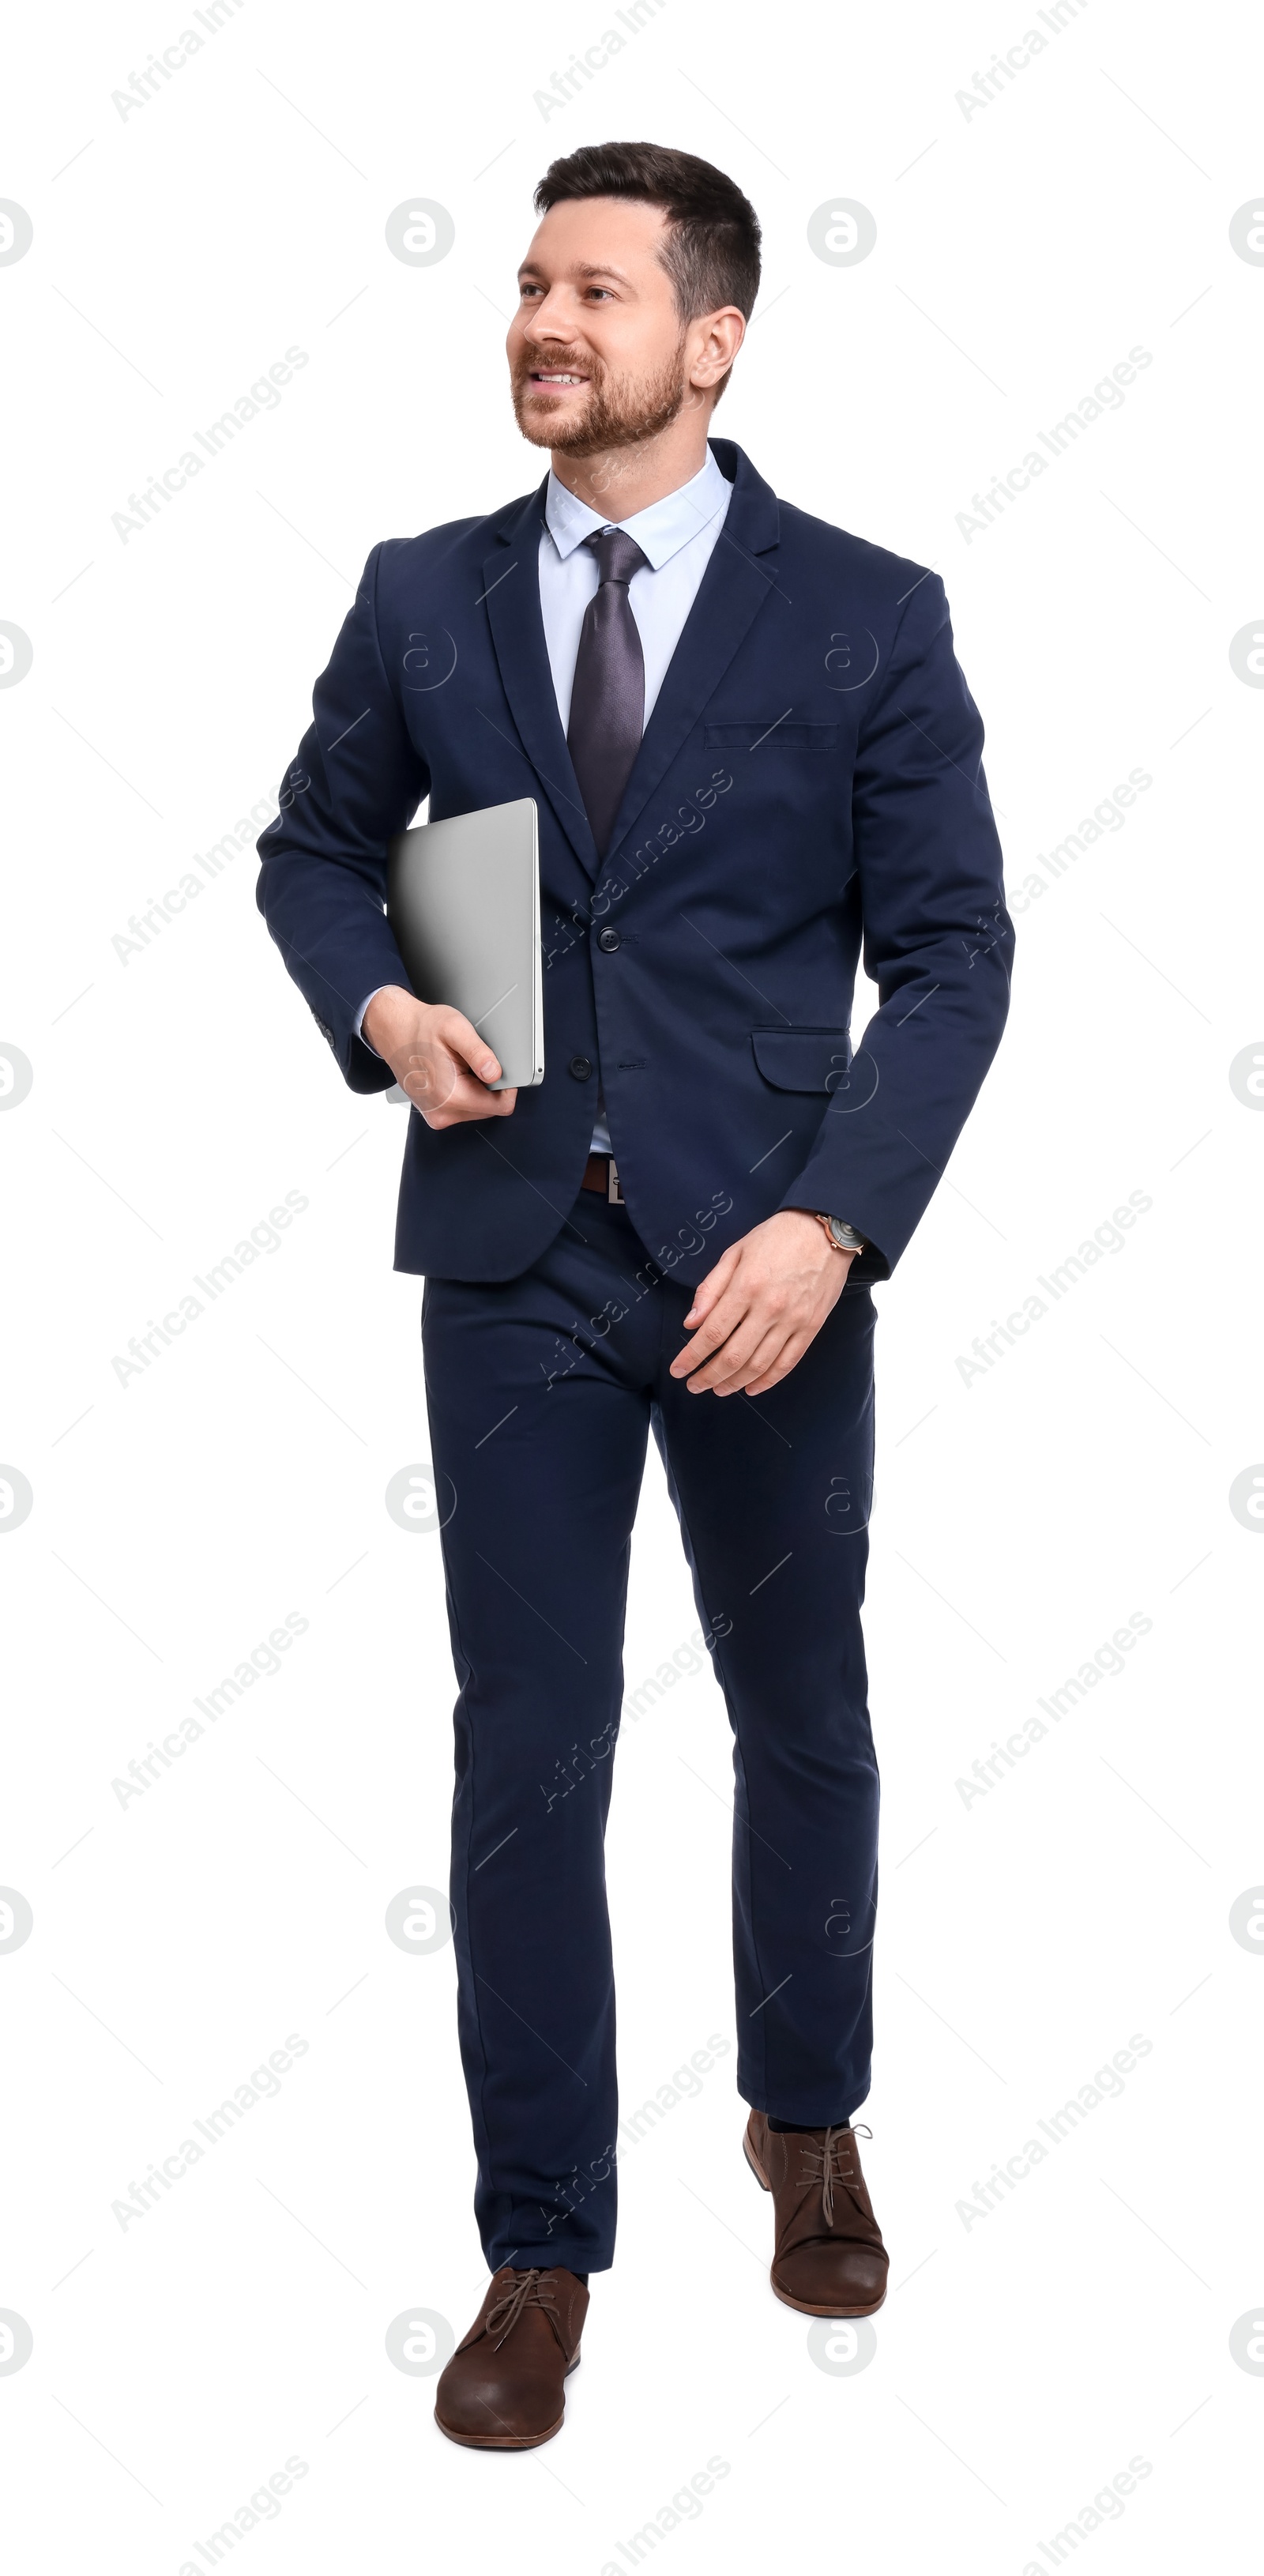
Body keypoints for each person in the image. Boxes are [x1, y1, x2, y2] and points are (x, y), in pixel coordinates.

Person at [257, 139, 1013, 2450]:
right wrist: (383, 1010)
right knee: (529, 1753)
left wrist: (839, 1220)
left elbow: (959, 953)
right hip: (511, 1254)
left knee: (804, 1717)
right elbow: (316, 851)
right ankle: (539, 2243)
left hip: (770, 1256)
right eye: (523, 286)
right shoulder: (426, 594)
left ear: (715, 334)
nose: (539, 321)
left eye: (591, 289)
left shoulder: (866, 611)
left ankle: (808, 2114)